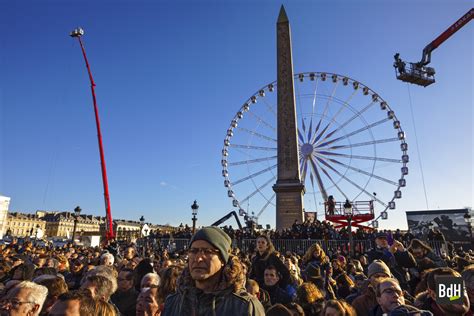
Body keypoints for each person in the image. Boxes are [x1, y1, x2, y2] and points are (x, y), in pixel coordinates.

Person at [163, 226, 265, 315]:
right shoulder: (173, 302)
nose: (198, 258)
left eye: (207, 252)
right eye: (193, 251)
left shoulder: (245, 307)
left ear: (222, 259)